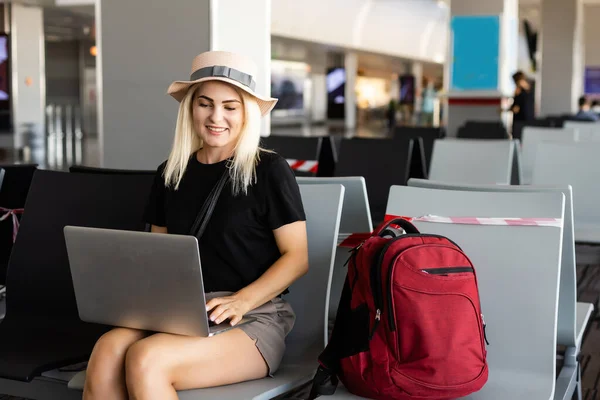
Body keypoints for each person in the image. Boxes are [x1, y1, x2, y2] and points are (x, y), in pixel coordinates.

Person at [82, 51, 309, 400]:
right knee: (107, 350)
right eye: (205, 104)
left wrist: (241, 301)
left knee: (147, 360)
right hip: (180, 312)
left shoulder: (269, 170)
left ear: (246, 112)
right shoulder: (170, 173)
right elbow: (158, 257)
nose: (216, 116)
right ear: (191, 107)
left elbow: (297, 257)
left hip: (252, 318)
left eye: (230, 106)